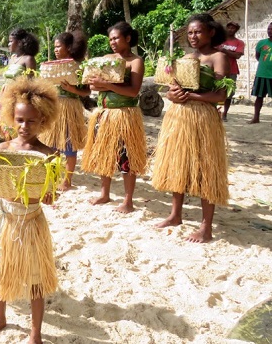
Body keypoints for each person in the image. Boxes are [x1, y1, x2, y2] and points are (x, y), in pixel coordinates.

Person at [0, 77, 59, 344]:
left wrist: (47, 193)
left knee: (36, 279)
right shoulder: (3, 150)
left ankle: (35, 333)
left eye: (31, 121)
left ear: (44, 121)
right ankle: (0, 316)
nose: (24, 126)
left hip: (31, 222)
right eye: (19, 119)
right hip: (5, 219)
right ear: (11, 116)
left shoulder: (48, 154)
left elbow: (50, 195)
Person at [153, 14, 232, 243]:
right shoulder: (185, 57)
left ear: (211, 32)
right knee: (179, 163)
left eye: (198, 32)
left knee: (206, 169)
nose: (193, 36)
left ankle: (206, 227)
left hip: (204, 118)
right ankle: (175, 215)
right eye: (189, 32)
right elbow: (170, 88)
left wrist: (191, 96)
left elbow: (221, 94)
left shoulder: (219, 57)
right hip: (180, 117)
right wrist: (172, 94)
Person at [81, 21, 146, 213]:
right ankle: (104, 194)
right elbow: (92, 85)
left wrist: (107, 85)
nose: (113, 42)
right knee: (104, 154)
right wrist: (102, 84)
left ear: (127, 38)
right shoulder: (106, 58)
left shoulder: (136, 61)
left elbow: (133, 91)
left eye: (116, 38)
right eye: (110, 39)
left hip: (125, 114)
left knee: (126, 156)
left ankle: (128, 200)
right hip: (105, 113)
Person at [39, 31, 90, 190]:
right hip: (54, 107)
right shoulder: (51, 67)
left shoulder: (78, 66)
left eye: (58, 46)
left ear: (69, 47)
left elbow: (87, 91)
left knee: (69, 145)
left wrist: (72, 90)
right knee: (52, 144)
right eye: (54, 47)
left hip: (70, 108)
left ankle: (67, 180)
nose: (55, 49)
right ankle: (53, 175)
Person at [217, 21, 244, 121]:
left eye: (233, 28)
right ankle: (217, 112)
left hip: (232, 70)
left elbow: (237, 55)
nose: (230, 29)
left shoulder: (239, 43)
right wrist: (230, 52)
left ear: (236, 30)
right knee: (218, 91)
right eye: (229, 27)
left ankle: (225, 114)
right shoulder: (219, 41)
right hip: (219, 69)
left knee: (229, 94)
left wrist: (224, 51)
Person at [249, 21, 272, 124]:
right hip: (262, 74)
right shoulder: (261, 43)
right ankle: (256, 117)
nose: (270, 31)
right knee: (259, 97)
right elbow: (258, 56)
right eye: (269, 29)